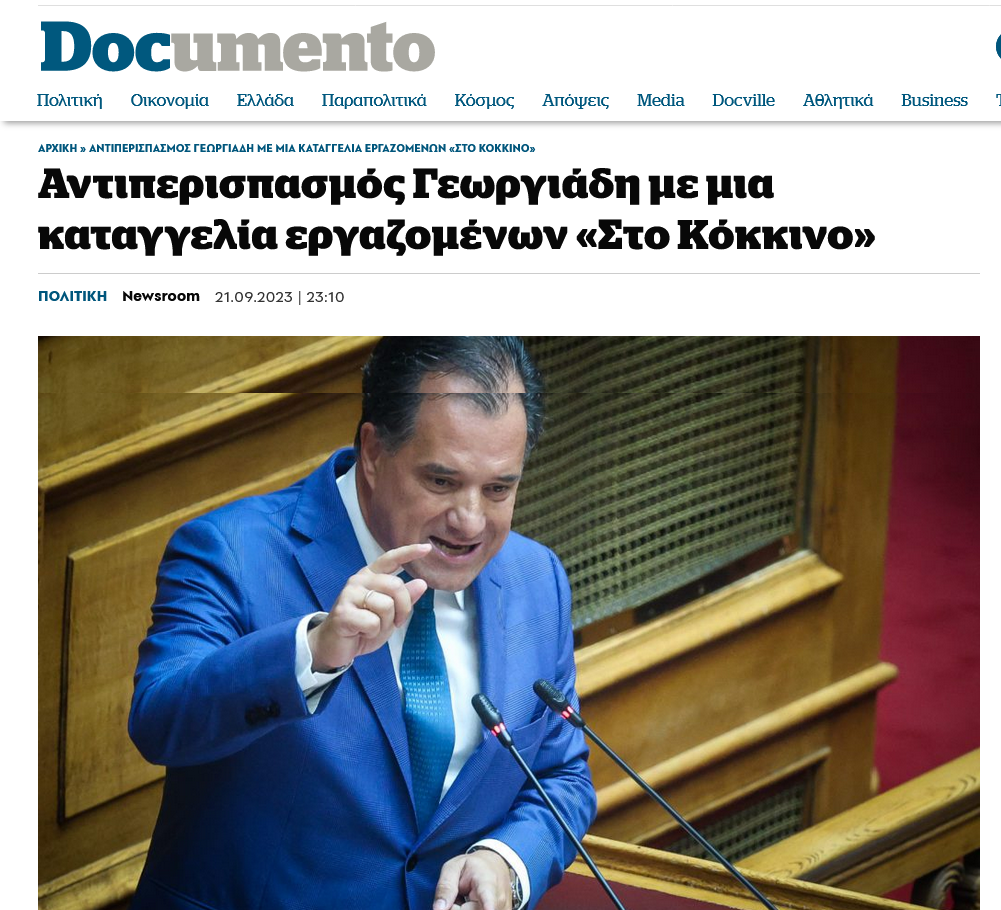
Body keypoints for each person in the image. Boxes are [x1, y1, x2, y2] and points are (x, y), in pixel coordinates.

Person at [128, 337, 596, 910]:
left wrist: (507, 860)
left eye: (499, 488)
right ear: (373, 452)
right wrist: (311, 652)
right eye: (442, 482)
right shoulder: (231, 549)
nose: (471, 521)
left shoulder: (535, 578)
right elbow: (158, 719)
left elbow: (561, 777)